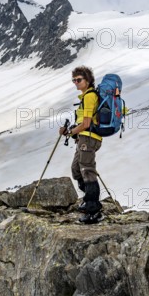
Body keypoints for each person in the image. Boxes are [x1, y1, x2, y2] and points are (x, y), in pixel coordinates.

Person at [59, 66, 103, 224]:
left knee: (87, 170)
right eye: (74, 80)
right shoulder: (85, 97)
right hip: (84, 138)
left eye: (79, 80)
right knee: (76, 169)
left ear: (88, 80)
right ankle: (89, 200)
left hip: (89, 138)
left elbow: (85, 123)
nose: (75, 83)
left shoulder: (90, 96)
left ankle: (93, 210)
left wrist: (71, 132)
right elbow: (82, 124)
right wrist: (71, 131)